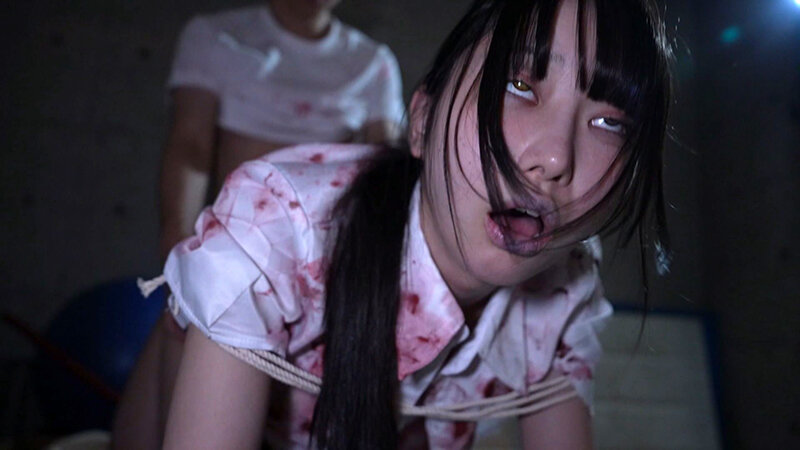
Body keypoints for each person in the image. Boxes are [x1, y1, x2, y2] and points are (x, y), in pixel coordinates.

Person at [113, 0, 673, 448]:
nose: (555, 158)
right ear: (422, 123)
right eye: (520, 86)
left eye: (611, 123)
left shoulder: (565, 287)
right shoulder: (276, 230)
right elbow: (191, 148)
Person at [158, 0, 405, 259]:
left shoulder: (373, 62)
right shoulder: (216, 37)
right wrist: (178, 243)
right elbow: (191, 147)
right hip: (239, 242)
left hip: (327, 248)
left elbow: (387, 170)